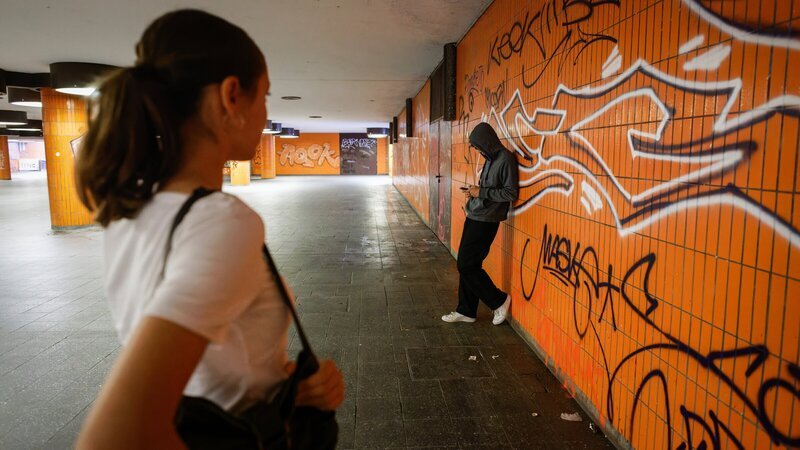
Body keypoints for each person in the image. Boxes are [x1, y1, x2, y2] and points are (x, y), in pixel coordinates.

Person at [74, 10, 344, 448]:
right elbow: (119, 434)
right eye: (265, 96)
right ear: (231, 96)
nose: (265, 113)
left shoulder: (131, 211)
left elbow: (206, 368)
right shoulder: (223, 222)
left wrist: (286, 390)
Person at [442, 122, 519, 325]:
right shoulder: (490, 159)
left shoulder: (505, 159)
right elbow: (488, 189)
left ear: (487, 141)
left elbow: (511, 193)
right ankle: (466, 310)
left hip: (487, 220)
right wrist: (474, 191)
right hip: (475, 215)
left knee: (465, 265)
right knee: (469, 264)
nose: (477, 150)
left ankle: (499, 301)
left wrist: (481, 192)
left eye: (478, 146)